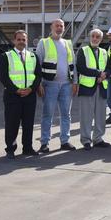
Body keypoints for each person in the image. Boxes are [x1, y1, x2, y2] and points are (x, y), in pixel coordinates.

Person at [36, 19, 78, 153]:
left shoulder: (67, 43)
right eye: (57, 26)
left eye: (61, 26)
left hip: (66, 84)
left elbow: (73, 64)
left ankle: (65, 141)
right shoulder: (44, 42)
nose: (59, 28)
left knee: (66, 115)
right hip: (49, 84)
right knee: (47, 115)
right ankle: (44, 143)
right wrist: (38, 83)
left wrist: (75, 82)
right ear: (51, 27)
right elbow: (38, 64)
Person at [0, 30, 42, 158]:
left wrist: (31, 89)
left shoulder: (33, 56)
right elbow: (3, 77)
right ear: (14, 41)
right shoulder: (6, 56)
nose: (21, 42)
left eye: (24, 39)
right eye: (19, 39)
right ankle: (10, 149)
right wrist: (16, 90)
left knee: (28, 124)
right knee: (12, 124)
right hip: (13, 96)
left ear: (26, 41)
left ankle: (27, 148)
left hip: (29, 95)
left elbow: (38, 75)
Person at [75, 29, 111, 150]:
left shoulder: (104, 52)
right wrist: (98, 74)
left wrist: (104, 75)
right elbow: (81, 68)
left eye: (97, 37)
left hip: (101, 87)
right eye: (93, 36)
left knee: (101, 115)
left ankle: (98, 139)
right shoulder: (83, 50)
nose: (95, 39)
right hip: (87, 88)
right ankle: (86, 140)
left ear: (101, 39)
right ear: (90, 37)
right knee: (86, 116)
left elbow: (109, 68)